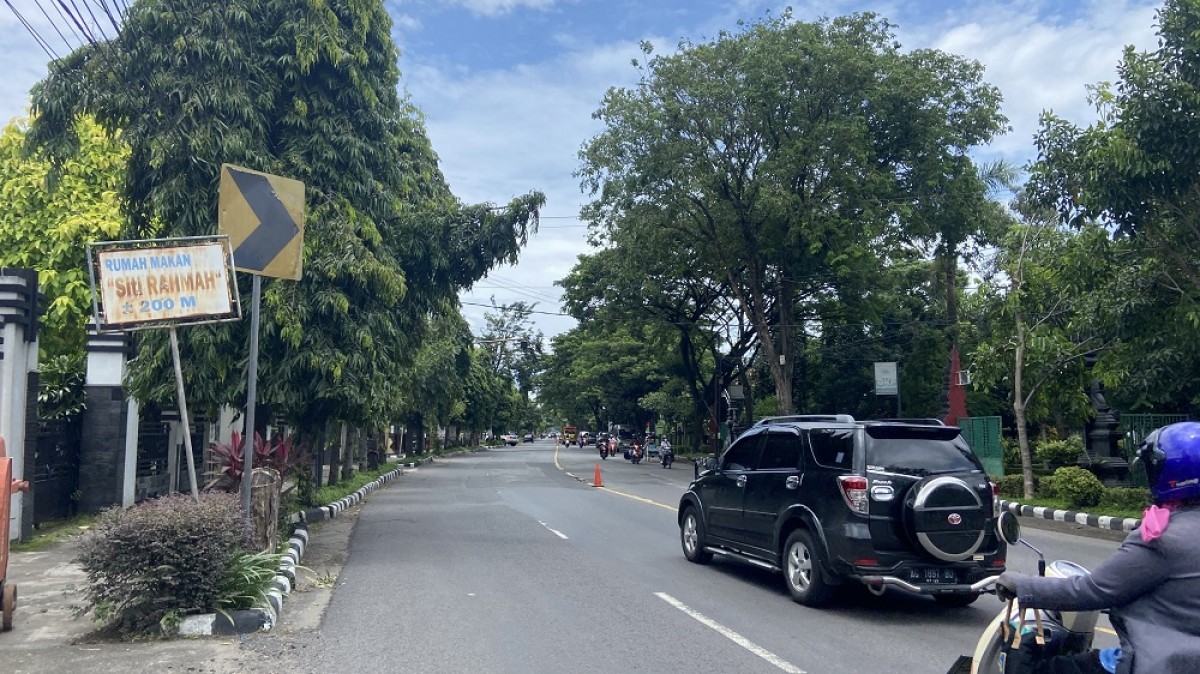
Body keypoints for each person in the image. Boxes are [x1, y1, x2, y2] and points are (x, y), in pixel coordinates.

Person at [994, 421, 1200, 674]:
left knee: (1035, 668)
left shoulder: (1163, 538)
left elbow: (1092, 590)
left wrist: (1022, 585)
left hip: (1165, 662)